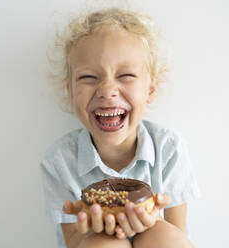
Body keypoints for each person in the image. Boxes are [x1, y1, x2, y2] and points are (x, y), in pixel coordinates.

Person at [40, 6, 201, 248]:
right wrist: (92, 233)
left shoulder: (169, 149)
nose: (106, 90)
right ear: (70, 91)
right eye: (88, 77)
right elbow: (72, 240)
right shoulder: (60, 161)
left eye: (125, 75)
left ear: (150, 89)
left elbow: (177, 234)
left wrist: (151, 221)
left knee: (161, 235)